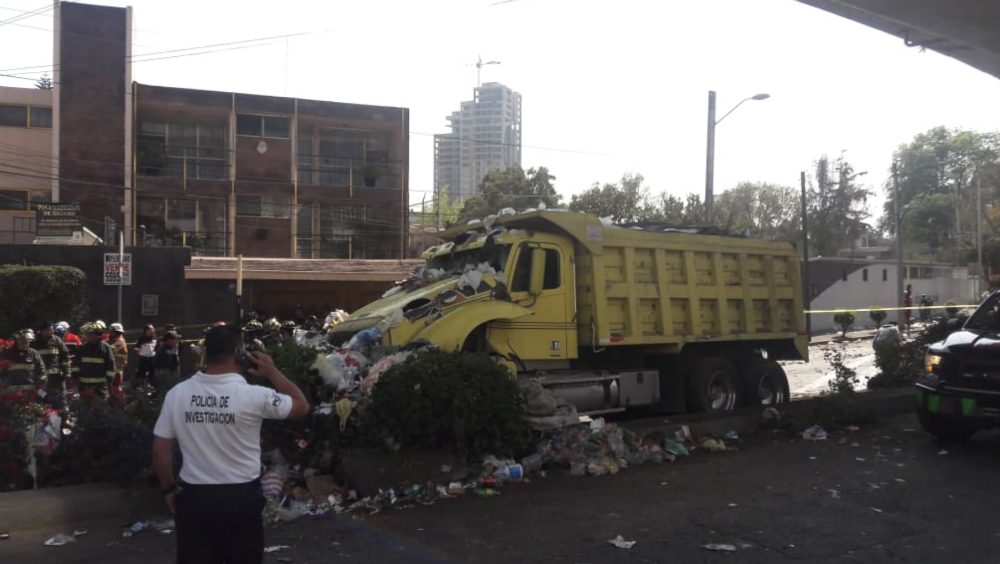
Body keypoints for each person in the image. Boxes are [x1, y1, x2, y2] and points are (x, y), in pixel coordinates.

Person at [151, 325, 308, 564]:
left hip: (196, 499)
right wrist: (272, 372)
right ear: (238, 353)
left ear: (206, 352)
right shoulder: (254, 395)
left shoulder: (178, 394)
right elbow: (300, 405)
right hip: (241, 498)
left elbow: (160, 451)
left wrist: (169, 489)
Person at [72, 321, 116, 400]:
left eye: (90, 334)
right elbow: (76, 364)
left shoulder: (105, 348)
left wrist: (109, 382)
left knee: (100, 409)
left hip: (100, 388)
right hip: (84, 386)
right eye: (87, 334)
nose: (87, 336)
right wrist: (75, 377)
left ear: (98, 335)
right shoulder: (83, 347)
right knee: (84, 409)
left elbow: (111, 366)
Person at [31, 322, 70, 408]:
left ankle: (63, 418)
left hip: (57, 378)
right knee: (43, 399)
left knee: (60, 400)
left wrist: (66, 371)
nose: (51, 331)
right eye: (49, 330)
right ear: (42, 331)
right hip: (41, 378)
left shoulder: (57, 340)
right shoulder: (34, 343)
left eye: (52, 330)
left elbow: (65, 356)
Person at [1, 329, 46, 398]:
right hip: (11, 393)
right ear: (17, 342)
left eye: (27, 342)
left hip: (29, 393)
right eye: (23, 343)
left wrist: (41, 385)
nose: (25, 345)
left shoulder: (34, 354)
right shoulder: (8, 354)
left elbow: (42, 370)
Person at [107, 323, 129, 391]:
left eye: (111, 331)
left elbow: (109, 349)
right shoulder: (112, 340)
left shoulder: (120, 341)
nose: (109, 332)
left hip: (117, 371)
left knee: (115, 389)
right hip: (112, 369)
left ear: (117, 332)